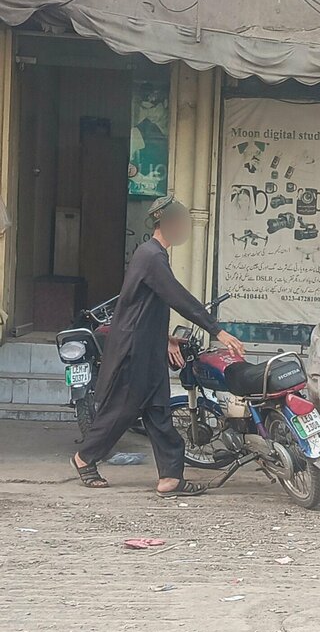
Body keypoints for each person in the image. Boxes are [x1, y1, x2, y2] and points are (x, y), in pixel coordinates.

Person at [71, 195, 244, 497]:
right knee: (123, 410)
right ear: (165, 223)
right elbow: (178, 297)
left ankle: (170, 478)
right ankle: (85, 457)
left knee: (159, 412)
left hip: (148, 348)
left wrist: (166, 339)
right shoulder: (150, 256)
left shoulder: (153, 256)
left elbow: (147, 306)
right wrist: (218, 331)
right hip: (133, 350)